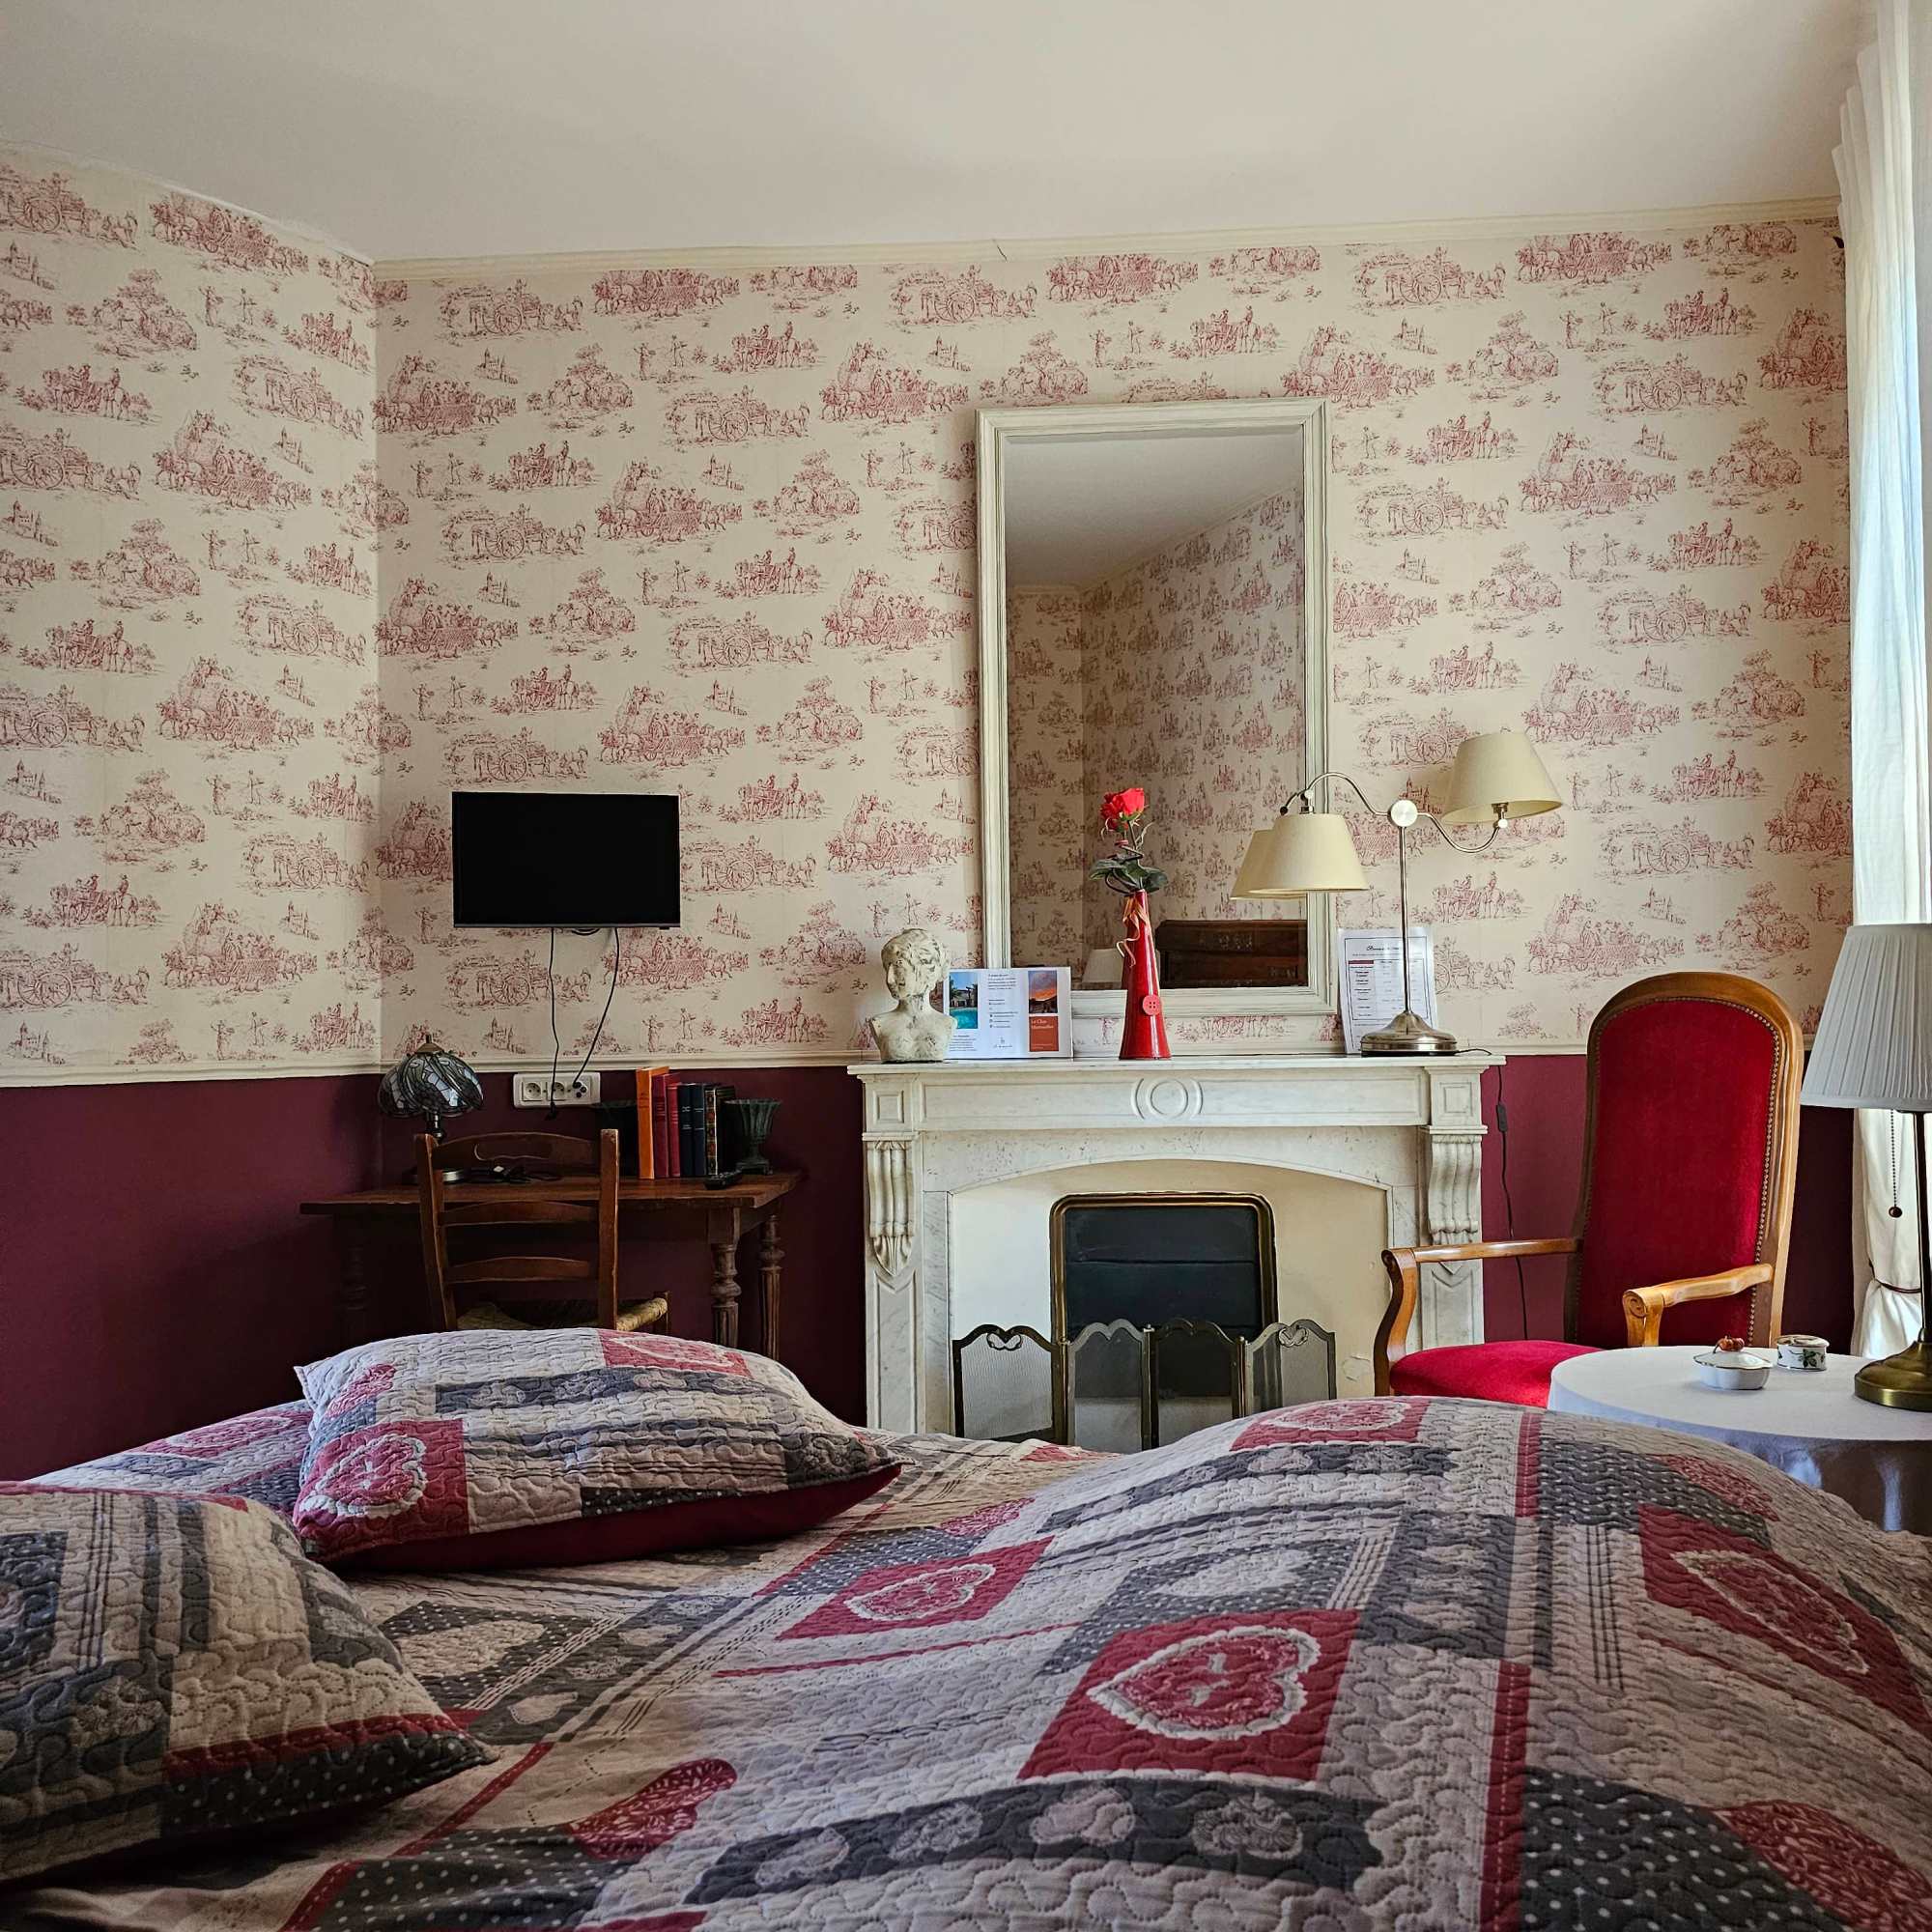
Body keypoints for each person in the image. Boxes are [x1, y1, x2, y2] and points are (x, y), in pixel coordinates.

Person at [870, 927, 953, 1063]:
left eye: (898, 968)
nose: (889, 979)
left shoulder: (948, 1023)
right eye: (887, 968)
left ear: (924, 970)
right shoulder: (879, 1023)